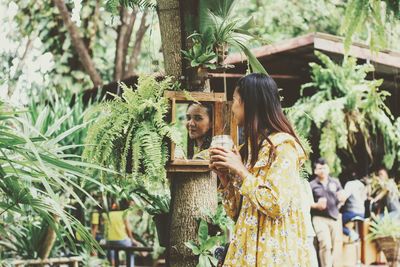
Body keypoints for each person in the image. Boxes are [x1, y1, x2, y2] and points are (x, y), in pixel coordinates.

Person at [209, 73, 311, 266]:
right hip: (247, 251)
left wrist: (240, 171)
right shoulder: (251, 149)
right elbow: (237, 213)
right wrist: (225, 179)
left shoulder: (283, 148)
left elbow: (275, 204)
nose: (233, 108)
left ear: (249, 103)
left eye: (235, 101)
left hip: (273, 254)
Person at [310, 158, 347, 267]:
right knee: (325, 244)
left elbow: (341, 196)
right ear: (315, 171)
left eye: (324, 167)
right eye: (319, 168)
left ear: (328, 169)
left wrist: (342, 198)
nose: (322, 170)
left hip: (335, 217)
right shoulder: (312, 185)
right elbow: (306, 202)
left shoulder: (335, 182)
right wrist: (316, 205)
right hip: (319, 218)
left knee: (335, 246)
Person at [103, 199, 143, 267]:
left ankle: (112, 264)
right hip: (122, 240)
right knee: (130, 248)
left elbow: (105, 229)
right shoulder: (123, 213)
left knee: (111, 251)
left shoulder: (106, 214)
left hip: (110, 241)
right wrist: (132, 239)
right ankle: (130, 265)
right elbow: (128, 228)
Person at [341, 173, 368, 241]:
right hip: (362, 213)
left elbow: (345, 196)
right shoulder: (361, 185)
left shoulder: (349, 184)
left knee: (336, 222)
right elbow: (364, 198)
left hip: (352, 212)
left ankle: (351, 233)